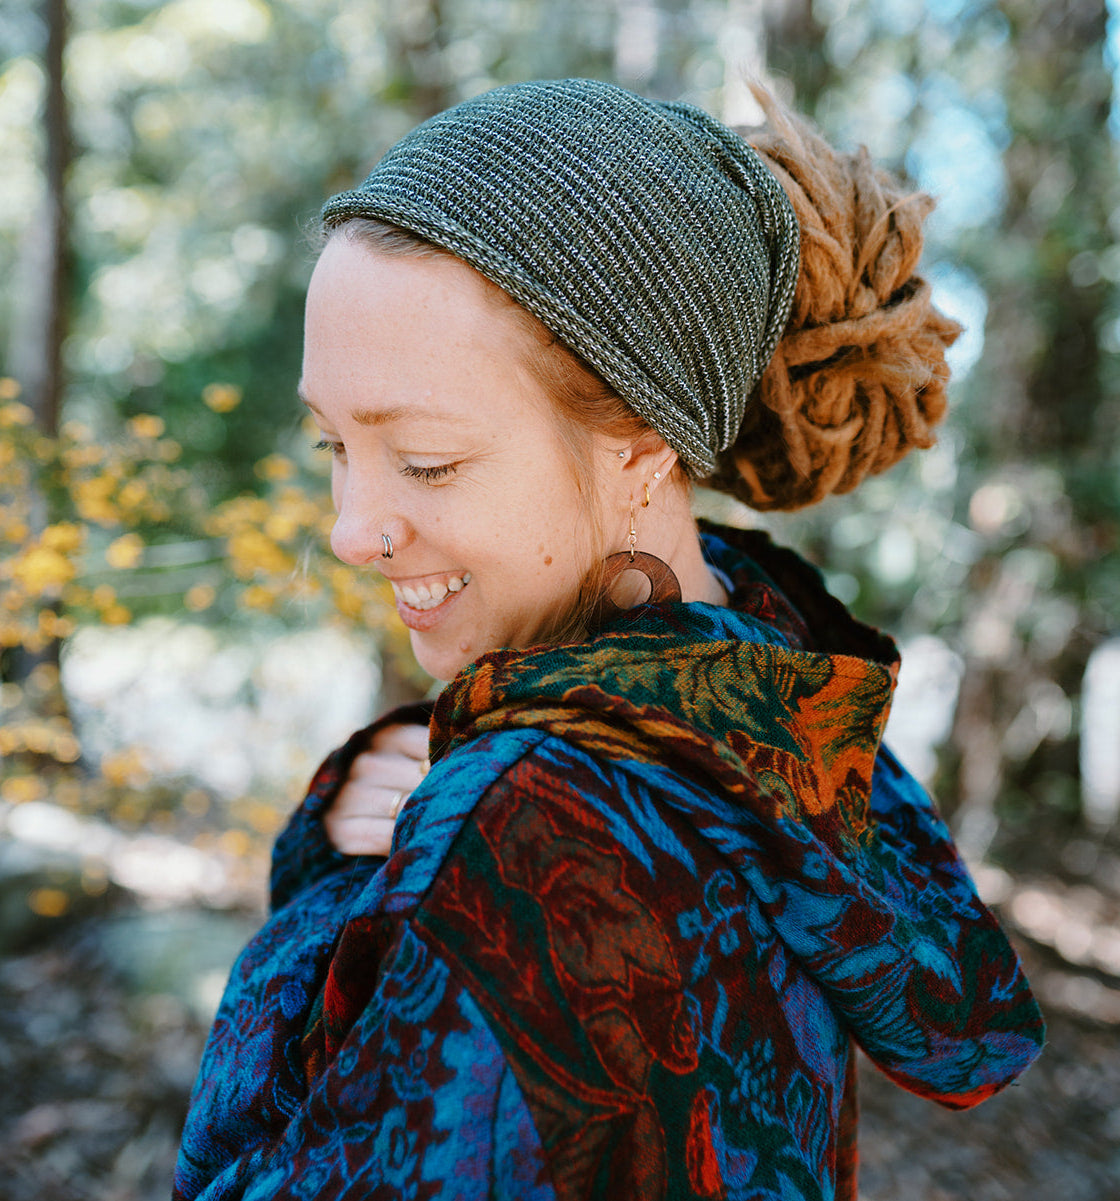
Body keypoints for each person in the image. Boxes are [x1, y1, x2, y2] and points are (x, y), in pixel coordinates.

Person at [174, 78, 1044, 1201]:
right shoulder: (781, 695)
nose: (350, 532)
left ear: (639, 440)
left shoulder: (520, 830)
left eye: (426, 461)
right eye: (333, 444)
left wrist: (339, 888)